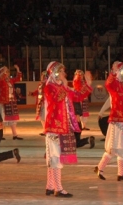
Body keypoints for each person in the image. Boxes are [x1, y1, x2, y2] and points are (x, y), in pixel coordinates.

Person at [44, 61, 92, 197]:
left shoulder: (60, 87)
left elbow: (77, 96)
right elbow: (55, 99)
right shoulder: (49, 87)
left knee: (54, 157)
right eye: (62, 71)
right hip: (54, 128)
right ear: (56, 73)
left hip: (61, 127)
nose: (65, 74)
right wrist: (64, 87)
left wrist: (87, 85)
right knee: (55, 158)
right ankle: (58, 188)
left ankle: (50, 186)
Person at [0, 65, 23, 140]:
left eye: (8, 71)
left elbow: (18, 78)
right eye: (5, 71)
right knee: (2, 118)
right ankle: (0, 135)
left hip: (11, 101)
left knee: (13, 118)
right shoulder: (0, 80)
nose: (7, 73)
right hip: (4, 102)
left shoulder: (10, 80)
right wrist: (3, 73)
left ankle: (15, 135)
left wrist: (18, 69)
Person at [72, 69, 95, 148]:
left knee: (74, 143)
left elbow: (78, 96)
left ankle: (87, 139)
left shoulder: (70, 91)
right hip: (69, 120)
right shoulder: (75, 83)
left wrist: (88, 85)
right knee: (74, 142)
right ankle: (88, 139)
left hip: (72, 121)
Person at [29, 71, 47, 136]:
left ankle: (46, 130)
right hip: (40, 102)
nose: (42, 77)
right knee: (42, 117)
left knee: (44, 117)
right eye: (42, 76)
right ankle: (45, 130)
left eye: (43, 76)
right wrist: (32, 93)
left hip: (45, 102)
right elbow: (38, 91)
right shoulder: (40, 84)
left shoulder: (47, 84)